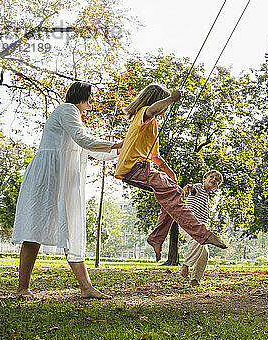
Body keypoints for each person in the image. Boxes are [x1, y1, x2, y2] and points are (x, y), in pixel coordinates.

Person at [13, 81, 122, 299]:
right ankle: (22, 288)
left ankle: (86, 288)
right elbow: (84, 140)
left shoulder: (74, 116)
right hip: (48, 176)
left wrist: (122, 151)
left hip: (60, 177)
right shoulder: (67, 110)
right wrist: (119, 144)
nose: (93, 100)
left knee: (71, 228)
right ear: (81, 95)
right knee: (34, 230)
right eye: (91, 95)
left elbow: (91, 148)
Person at [114, 83, 227, 261]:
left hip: (142, 167)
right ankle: (203, 234)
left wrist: (170, 174)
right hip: (133, 168)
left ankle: (157, 238)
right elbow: (151, 110)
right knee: (173, 193)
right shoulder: (144, 114)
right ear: (159, 101)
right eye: (164, 104)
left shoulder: (152, 125)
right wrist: (171, 99)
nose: (166, 109)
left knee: (175, 193)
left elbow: (155, 156)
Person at [178, 170, 223, 286]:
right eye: (211, 177)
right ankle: (186, 266)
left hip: (199, 227)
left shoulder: (207, 199)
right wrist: (189, 188)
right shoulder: (199, 187)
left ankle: (195, 280)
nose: (214, 179)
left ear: (217, 186)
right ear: (204, 179)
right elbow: (192, 189)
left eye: (217, 180)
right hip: (188, 222)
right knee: (199, 240)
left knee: (205, 252)